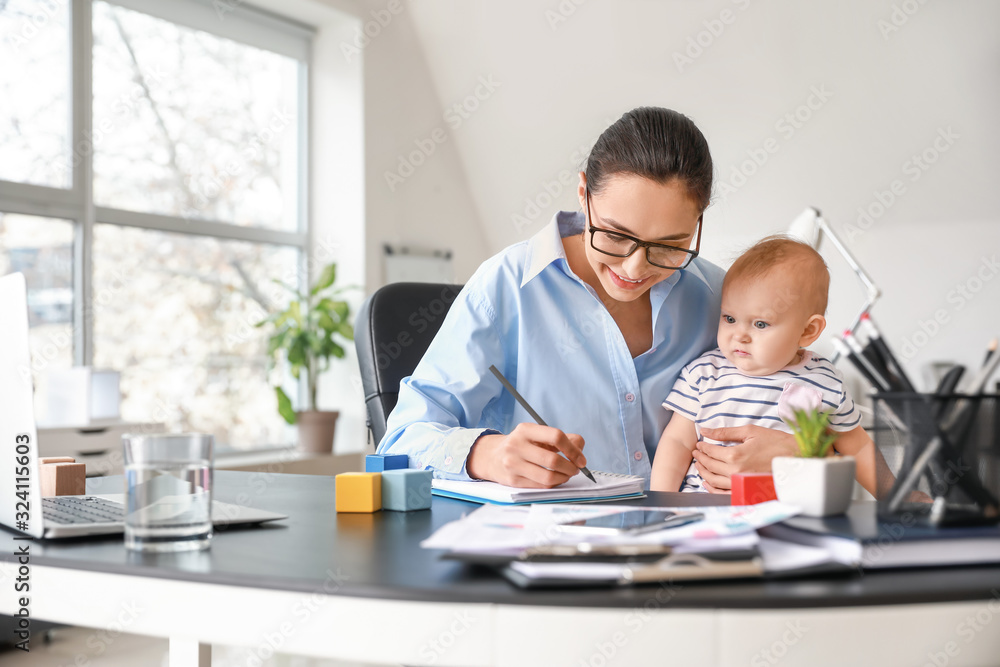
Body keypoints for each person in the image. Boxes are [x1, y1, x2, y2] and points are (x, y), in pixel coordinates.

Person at [378, 107, 797, 488]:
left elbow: (815, 403)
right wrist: (483, 455)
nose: (635, 269)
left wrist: (801, 453)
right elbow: (399, 440)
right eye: (615, 235)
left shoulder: (722, 301)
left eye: (670, 245)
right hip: (547, 549)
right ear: (583, 195)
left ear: (698, 222)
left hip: (691, 547)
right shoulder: (507, 287)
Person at [649, 236, 878, 495]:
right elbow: (677, 441)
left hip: (788, 514)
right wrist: (662, 502)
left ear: (808, 330)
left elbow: (857, 447)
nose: (739, 335)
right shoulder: (703, 374)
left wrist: (901, 498)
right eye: (730, 318)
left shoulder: (825, 381)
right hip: (704, 509)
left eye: (760, 324)